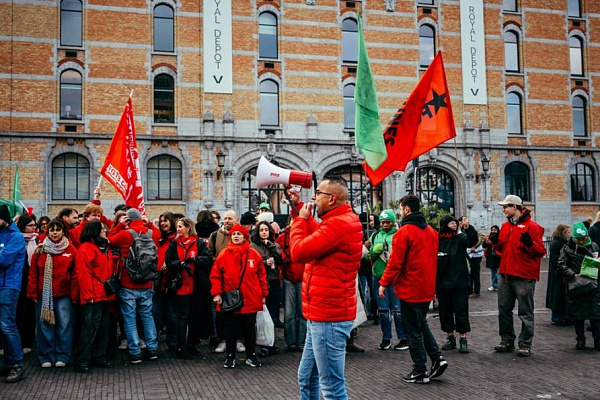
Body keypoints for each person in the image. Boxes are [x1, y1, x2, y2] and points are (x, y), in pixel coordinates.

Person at [288, 178, 363, 399]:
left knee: (331, 387)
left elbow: (299, 252)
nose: (314, 197)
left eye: (318, 193)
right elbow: (320, 235)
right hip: (322, 313)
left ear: (331, 199)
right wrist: (298, 208)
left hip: (328, 316)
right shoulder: (339, 220)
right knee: (307, 377)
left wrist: (300, 221)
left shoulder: (338, 224)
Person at [378, 195, 447, 384]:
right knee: (421, 324)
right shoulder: (431, 231)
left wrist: (384, 283)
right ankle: (437, 358)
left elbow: (395, 263)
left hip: (410, 287)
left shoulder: (404, 232)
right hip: (426, 286)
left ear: (406, 209)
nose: (400, 212)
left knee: (412, 330)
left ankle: (420, 370)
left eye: (401, 209)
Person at [489, 195, 546, 357]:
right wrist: (494, 242)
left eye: (505, 207)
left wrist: (530, 244)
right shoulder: (505, 226)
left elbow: (541, 251)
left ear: (515, 207)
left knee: (525, 311)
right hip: (506, 275)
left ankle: (525, 343)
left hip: (524, 276)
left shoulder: (533, 227)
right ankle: (507, 340)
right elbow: (501, 249)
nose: (503, 210)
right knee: (503, 310)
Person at [210, 224, 268, 368]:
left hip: (250, 298)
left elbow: (262, 276)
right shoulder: (224, 254)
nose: (236, 236)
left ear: (245, 237)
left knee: (249, 329)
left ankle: (251, 356)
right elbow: (216, 275)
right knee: (230, 329)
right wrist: (217, 293)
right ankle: (230, 357)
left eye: (239, 234)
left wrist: (263, 294)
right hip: (231, 300)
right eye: (234, 234)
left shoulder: (253, 254)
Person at [108, 208, 160, 364]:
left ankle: (135, 351)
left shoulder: (125, 234)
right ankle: (152, 349)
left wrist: (119, 225)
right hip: (147, 281)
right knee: (147, 315)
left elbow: (109, 241)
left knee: (129, 318)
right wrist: (148, 223)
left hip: (128, 282)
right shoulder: (151, 233)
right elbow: (159, 235)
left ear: (128, 220)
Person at [27, 220, 76, 368]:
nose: (54, 233)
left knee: (64, 325)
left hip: (64, 293)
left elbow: (74, 275)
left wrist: (74, 295)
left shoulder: (71, 250)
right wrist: (33, 293)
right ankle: (46, 356)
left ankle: (63, 355)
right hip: (44, 294)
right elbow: (33, 274)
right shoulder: (40, 250)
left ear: (63, 231)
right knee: (44, 325)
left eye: (58, 230)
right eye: (52, 230)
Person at [165, 218, 212, 359]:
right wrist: (180, 264)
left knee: (195, 316)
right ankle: (181, 346)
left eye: (180, 226)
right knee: (183, 316)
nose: (178, 229)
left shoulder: (198, 243)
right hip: (181, 285)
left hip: (196, 285)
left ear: (188, 228)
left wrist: (195, 260)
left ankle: (191, 344)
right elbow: (169, 261)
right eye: (177, 226)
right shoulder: (174, 243)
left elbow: (208, 258)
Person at [72, 221, 115, 373]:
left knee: (103, 327)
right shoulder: (86, 248)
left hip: (104, 294)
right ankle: (82, 360)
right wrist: (88, 294)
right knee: (89, 329)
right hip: (93, 295)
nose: (105, 231)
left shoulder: (103, 247)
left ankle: (99, 357)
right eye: (102, 229)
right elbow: (83, 273)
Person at [365, 209, 408, 351]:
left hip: (395, 278)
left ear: (393, 223)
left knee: (397, 310)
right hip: (378, 277)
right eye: (383, 222)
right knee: (383, 310)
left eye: (388, 222)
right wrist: (374, 251)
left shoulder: (398, 235)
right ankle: (386, 338)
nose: (384, 225)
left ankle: (403, 338)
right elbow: (368, 257)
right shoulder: (375, 235)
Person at [436, 215, 478, 353]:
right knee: (445, 312)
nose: (454, 225)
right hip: (443, 283)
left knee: (461, 311)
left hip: (459, 282)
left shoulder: (460, 238)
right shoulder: (438, 240)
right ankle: (450, 337)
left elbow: (471, 241)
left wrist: (469, 228)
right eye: (451, 223)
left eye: (455, 223)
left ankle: (463, 338)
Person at [557, 222, 600, 350]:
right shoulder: (567, 248)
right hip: (576, 285)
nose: (582, 241)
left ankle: (598, 341)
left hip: (592, 285)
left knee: (595, 315)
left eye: (584, 238)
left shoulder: (594, 246)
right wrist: (572, 274)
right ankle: (580, 340)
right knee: (578, 316)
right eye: (579, 239)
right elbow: (561, 264)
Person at [0, 204, 27, 383]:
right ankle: (9, 362)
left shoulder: (16, 237)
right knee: (2, 327)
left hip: (8, 286)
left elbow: (4, 259)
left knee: (7, 326)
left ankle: (17, 365)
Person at [276, 216, 307, 352]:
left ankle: (301, 341)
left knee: (302, 312)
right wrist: (285, 256)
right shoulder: (283, 238)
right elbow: (277, 253)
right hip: (288, 278)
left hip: (303, 277)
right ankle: (291, 341)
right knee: (289, 313)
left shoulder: (306, 236)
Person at [251, 221, 284, 329]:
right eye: (261, 230)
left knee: (274, 307)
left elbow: (281, 260)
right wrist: (265, 262)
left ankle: (273, 332)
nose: (264, 232)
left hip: (274, 279)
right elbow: (252, 262)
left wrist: (271, 245)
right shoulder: (253, 246)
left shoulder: (274, 244)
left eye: (266, 230)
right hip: (260, 281)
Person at [153, 212, 178, 351]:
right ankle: (153, 341)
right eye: (161, 221)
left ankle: (173, 342)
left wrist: (169, 263)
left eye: (166, 221)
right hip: (159, 280)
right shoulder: (159, 238)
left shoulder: (176, 239)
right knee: (156, 313)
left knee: (172, 314)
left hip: (171, 280)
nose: (163, 223)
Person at [16, 216, 38, 355]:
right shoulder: (18, 240)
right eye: (31, 225)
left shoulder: (37, 240)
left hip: (32, 280)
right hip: (19, 280)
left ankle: (28, 341)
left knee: (30, 312)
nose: (34, 228)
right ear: (23, 226)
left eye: (34, 225)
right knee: (18, 312)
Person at [546, 224, 571, 326]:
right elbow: (556, 259)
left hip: (557, 272)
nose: (569, 234)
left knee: (558, 295)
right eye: (568, 232)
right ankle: (558, 318)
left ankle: (559, 317)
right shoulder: (559, 243)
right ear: (563, 232)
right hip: (558, 273)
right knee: (558, 295)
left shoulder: (558, 242)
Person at [460, 217, 485, 298]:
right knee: (469, 273)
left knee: (475, 273)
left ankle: (476, 291)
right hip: (467, 254)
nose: (461, 225)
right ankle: (469, 290)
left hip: (475, 255)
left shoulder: (472, 229)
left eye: (461, 223)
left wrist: (475, 246)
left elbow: (482, 237)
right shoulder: (460, 231)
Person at [483, 226, 502, 291]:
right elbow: (484, 245)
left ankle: (499, 285)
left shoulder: (500, 237)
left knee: (498, 272)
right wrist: (486, 242)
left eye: (495, 230)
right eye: (492, 230)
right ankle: (494, 285)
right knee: (493, 272)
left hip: (498, 257)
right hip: (491, 256)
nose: (493, 231)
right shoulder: (488, 237)